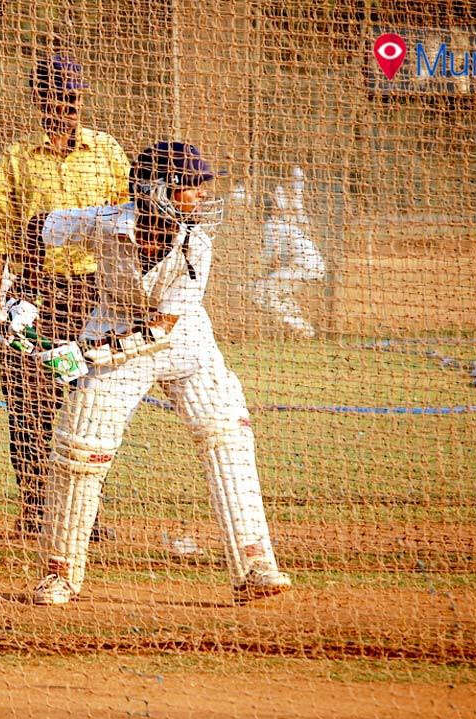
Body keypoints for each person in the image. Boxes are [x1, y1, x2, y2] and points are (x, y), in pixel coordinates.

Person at [17, 141, 291, 605]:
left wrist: (85, 354)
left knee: (226, 436)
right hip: (115, 323)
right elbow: (36, 228)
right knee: (79, 448)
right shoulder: (105, 223)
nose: (203, 197)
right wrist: (20, 295)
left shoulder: (195, 243)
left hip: (183, 343)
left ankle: (255, 566)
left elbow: (163, 329)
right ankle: (60, 573)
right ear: (157, 189)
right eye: (192, 187)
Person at [0, 53, 131, 536]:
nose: (68, 105)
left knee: (85, 399)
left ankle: (84, 510)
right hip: (34, 296)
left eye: (74, 96)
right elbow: (0, 233)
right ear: (39, 100)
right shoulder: (17, 157)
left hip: (92, 295)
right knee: (26, 397)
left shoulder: (107, 153)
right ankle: (33, 504)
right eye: (58, 97)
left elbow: (127, 220)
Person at [251, 192, 326, 339]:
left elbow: (273, 257)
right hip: (312, 265)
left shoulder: (270, 225)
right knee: (280, 293)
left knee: (259, 291)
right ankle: (297, 327)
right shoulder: (280, 224)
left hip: (303, 266)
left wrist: (257, 270)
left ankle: (301, 328)